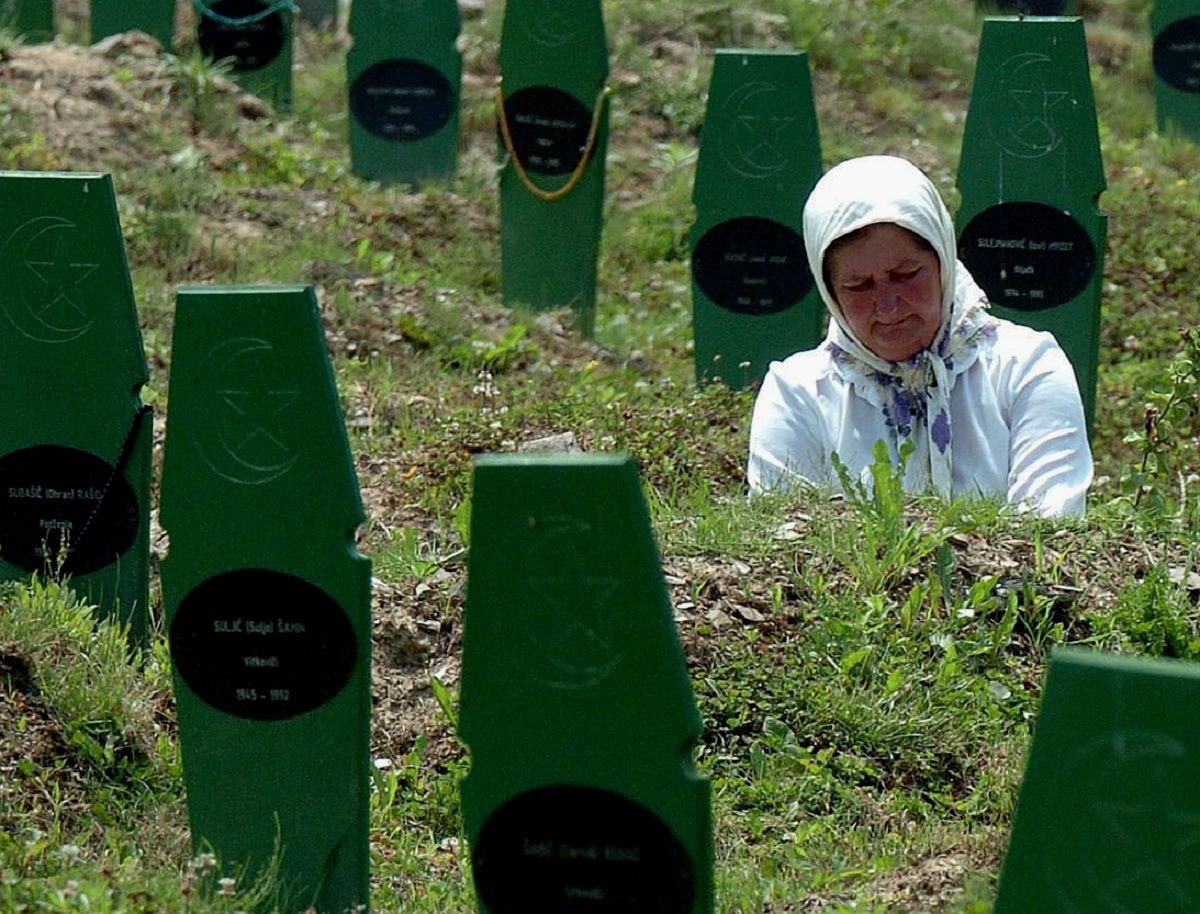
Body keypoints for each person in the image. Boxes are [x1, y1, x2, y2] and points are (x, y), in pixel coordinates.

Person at [747, 155, 1092, 518]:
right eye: (858, 286)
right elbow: (787, 546)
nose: (888, 306)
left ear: (943, 261)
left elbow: (1049, 532)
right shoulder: (797, 394)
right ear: (830, 292)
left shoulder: (1027, 368)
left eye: (906, 274)